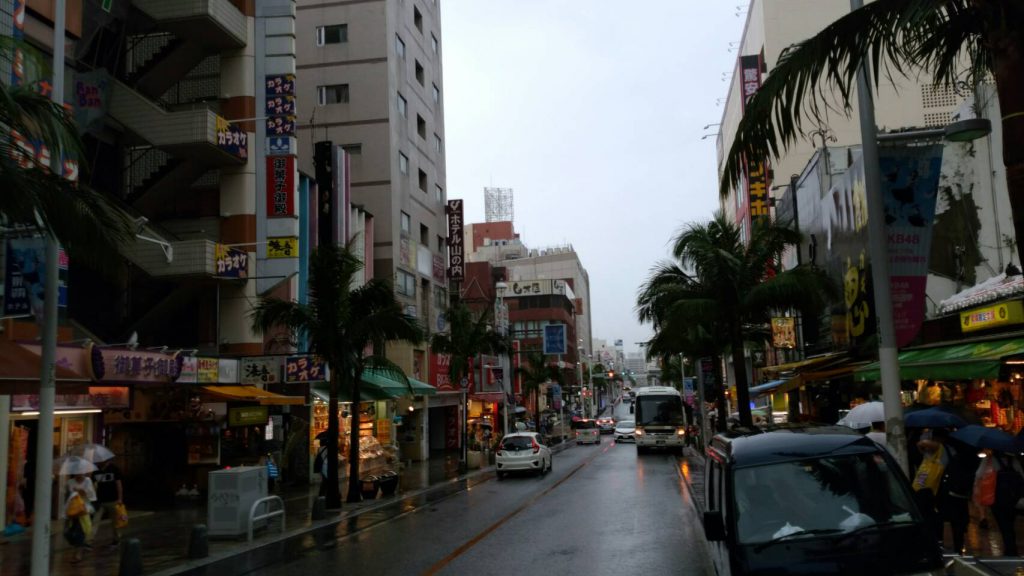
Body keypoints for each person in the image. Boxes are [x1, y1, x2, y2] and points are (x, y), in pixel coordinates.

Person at [92, 458, 124, 547]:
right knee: (95, 520)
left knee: (115, 521)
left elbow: (118, 484)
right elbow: (93, 486)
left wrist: (120, 498)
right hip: (100, 500)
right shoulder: (96, 471)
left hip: (113, 499)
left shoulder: (114, 469)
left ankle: (116, 538)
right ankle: (89, 540)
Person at [65, 474, 96, 563]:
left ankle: (78, 553)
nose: (79, 474)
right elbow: (68, 496)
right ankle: (80, 545)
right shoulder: (70, 482)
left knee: (80, 531)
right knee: (67, 532)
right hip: (72, 510)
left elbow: (92, 496)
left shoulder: (88, 481)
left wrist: (83, 492)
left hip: (84, 510)